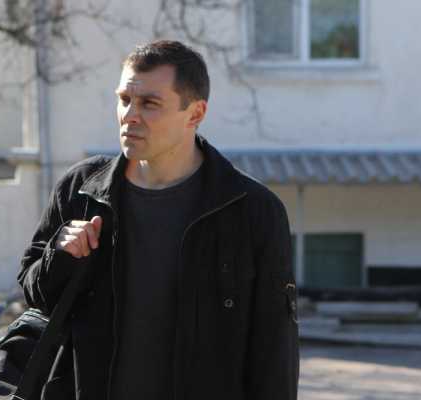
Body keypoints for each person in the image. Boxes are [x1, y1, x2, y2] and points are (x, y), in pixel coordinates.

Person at [18, 40, 299, 400]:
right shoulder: (81, 191)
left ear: (195, 114)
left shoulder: (252, 210)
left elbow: (274, 351)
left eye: (149, 103)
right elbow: (35, 297)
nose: (129, 115)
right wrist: (60, 254)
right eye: (124, 100)